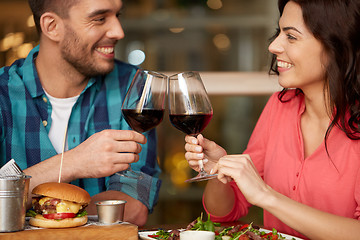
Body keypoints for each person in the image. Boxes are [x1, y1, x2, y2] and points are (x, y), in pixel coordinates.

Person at [184, 0, 360, 239]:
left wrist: (267, 196)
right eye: (279, 32)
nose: (274, 46)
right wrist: (218, 171)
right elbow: (224, 213)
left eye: (292, 37)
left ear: (336, 46)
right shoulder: (280, 106)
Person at [0, 0, 161, 226]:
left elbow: (133, 207)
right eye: (99, 18)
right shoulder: (3, 94)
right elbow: (115, 214)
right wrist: (73, 162)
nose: (118, 31)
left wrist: (34, 209)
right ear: (52, 26)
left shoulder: (133, 86)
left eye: (117, 15)